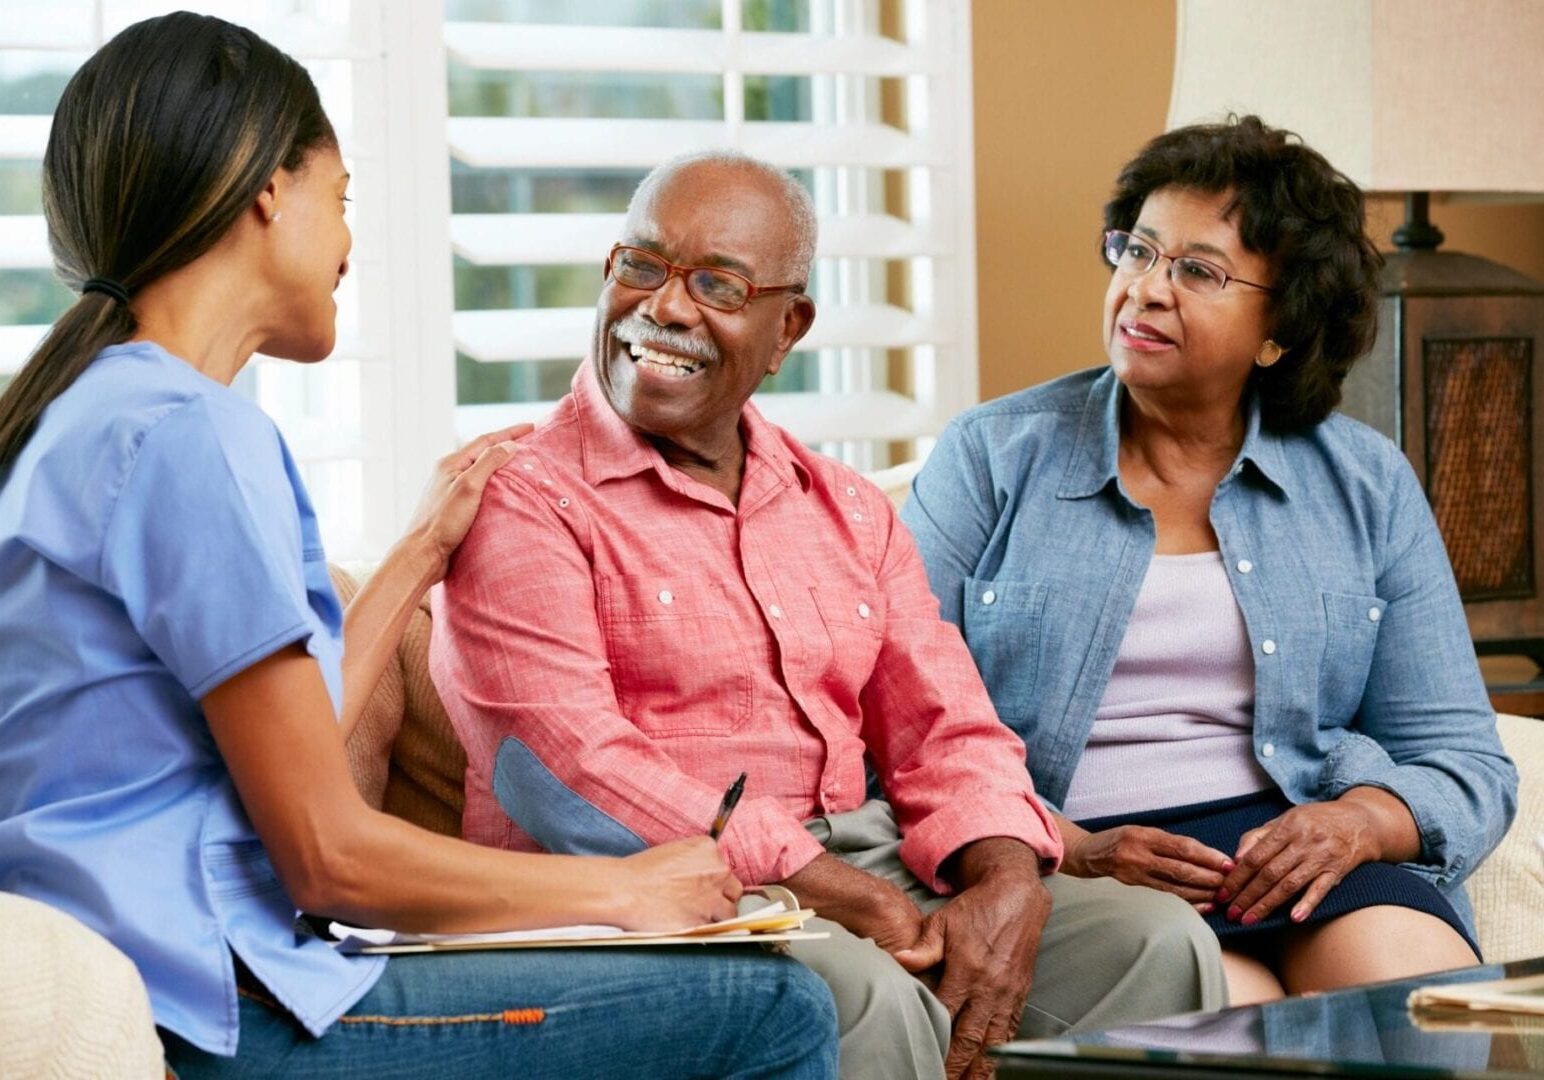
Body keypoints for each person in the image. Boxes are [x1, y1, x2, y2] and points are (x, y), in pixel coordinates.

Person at [0, 14, 837, 1077]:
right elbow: (325, 856)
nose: (349, 244)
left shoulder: (83, 413)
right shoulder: (191, 437)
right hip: (217, 1007)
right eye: (340, 198)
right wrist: (619, 888)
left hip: (156, 965)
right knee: (770, 1009)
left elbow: (270, 759)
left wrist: (410, 559)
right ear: (268, 192)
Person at [430, 148, 1227, 1080]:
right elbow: (567, 774)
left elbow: (948, 728)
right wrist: (846, 895)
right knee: (861, 992)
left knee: (1153, 945)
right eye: (641, 266)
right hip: (655, 900)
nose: (666, 307)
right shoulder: (524, 497)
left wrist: (1006, 877)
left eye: (718, 285)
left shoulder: (844, 506)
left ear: (787, 327)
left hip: (863, 862)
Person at [902, 115, 1518, 1006]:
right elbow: (901, 724)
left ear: (1281, 329)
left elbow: (1462, 755)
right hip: (1084, 859)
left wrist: (1361, 821)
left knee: (1416, 1002)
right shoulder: (992, 457)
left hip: (1297, 851)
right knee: (1237, 1022)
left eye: (1198, 270)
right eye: (1138, 252)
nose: (1146, 290)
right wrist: (1065, 845)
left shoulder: (1365, 482)